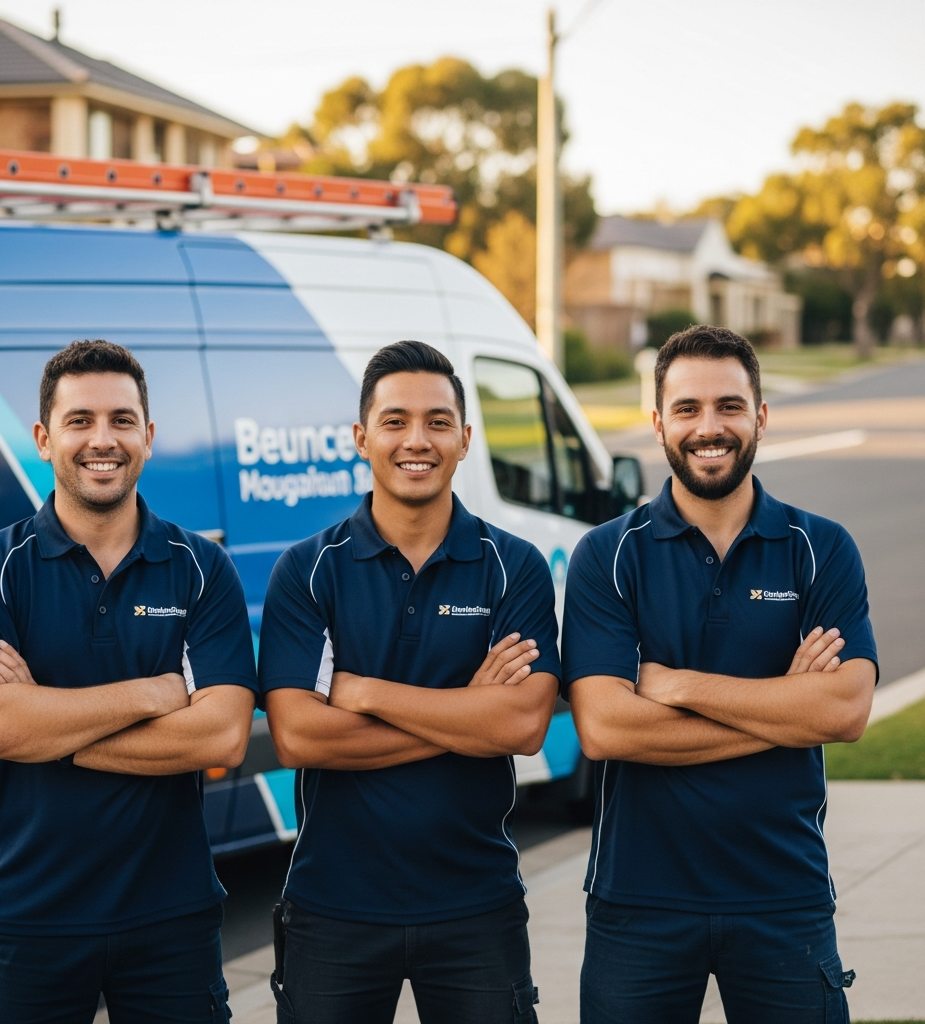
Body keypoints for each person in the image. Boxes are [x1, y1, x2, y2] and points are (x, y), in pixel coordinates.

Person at [562, 325, 877, 1023]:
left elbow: (845, 711)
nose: (710, 427)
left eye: (730, 406)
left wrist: (674, 685)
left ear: (761, 417)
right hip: (638, 901)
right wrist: (786, 707)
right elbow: (606, 727)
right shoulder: (606, 556)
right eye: (688, 409)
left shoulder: (819, 549)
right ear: (657, 424)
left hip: (783, 896)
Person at [0, 340, 257, 1024]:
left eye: (121, 419)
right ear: (43, 438)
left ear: (148, 435)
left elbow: (225, 735)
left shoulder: (202, 568)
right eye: (80, 420)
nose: (102, 440)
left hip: (171, 918)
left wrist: (43, 723)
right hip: (28, 917)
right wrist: (156, 692)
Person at [258, 340, 560, 1024]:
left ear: (465, 439)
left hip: (476, 907)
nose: (415, 440)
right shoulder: (308, 570)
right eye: (394, 421)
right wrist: (466, 715)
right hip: (332, 910)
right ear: (361, 437)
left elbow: (521, 726)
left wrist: (363, 693)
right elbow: (298, 736)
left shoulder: (514, 567)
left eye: (437, 421)